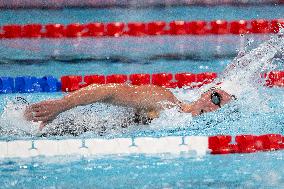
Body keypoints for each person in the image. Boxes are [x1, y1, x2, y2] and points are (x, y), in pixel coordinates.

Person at [24, 83, 234, 130]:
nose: (214, 105)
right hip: (66, 126)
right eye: (216, 97)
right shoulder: (164, 100)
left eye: (221, 106)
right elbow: (108, 90)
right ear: (205, 93)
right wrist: (61, 105)